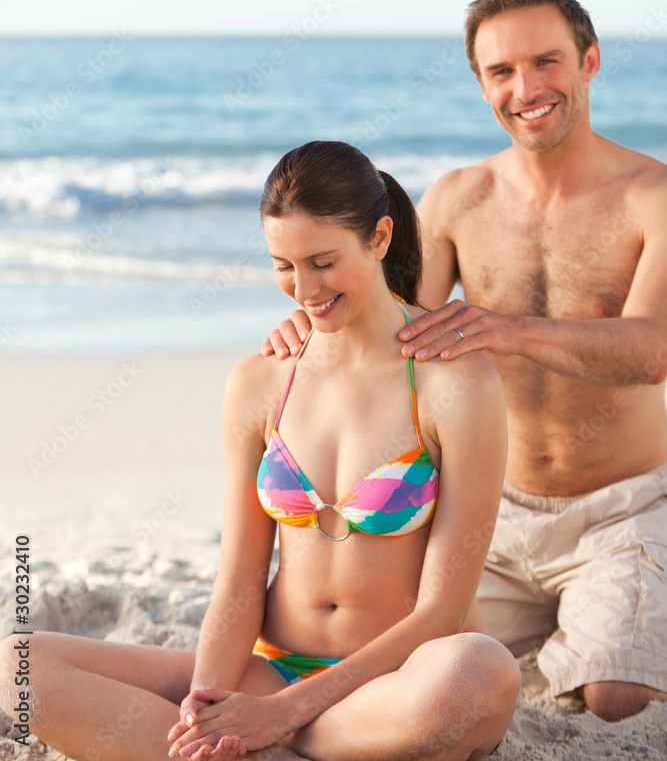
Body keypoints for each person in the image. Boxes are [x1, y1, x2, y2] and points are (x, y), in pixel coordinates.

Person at [0, 141, 520, 761]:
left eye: (323, 262)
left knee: (480, 674)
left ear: (380, 238)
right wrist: (205, 705)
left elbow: (444, 608)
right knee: (17, 666)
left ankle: (282, 743)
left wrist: (283, 715)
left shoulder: (455, 383)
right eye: (283, 265)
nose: (303, 289)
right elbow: (240, 583)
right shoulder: (262, 381)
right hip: (270, 672)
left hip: (397, 685)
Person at [264, 0, 667, 723]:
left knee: (617, 701)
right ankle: (563, 626)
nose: (527, 88)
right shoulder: (455, 198)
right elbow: (386, 324)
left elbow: (651, 353)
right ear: (481, 84)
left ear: (589, 61)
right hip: (489, 513)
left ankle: (599, 624)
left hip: (622, 508)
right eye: (501, 72)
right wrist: (306, 327)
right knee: (377, 652)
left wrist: (508, 329)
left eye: (546, 62)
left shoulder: (652, 197)